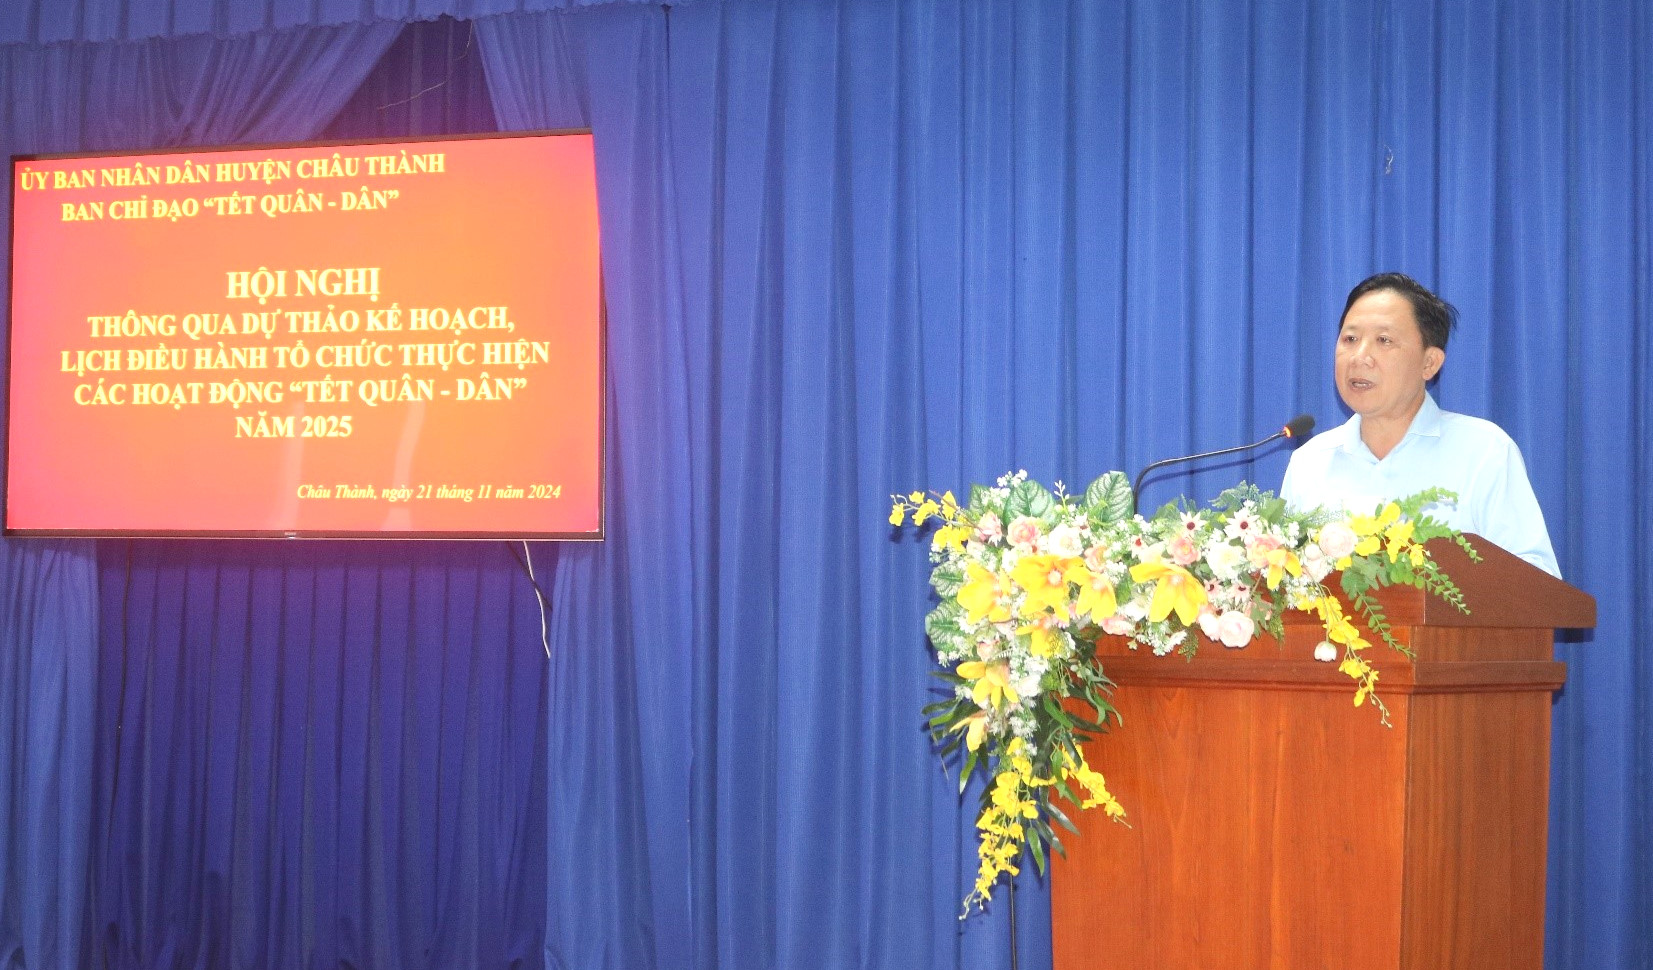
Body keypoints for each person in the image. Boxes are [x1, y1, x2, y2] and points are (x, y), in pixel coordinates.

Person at [1281, 273, 1560, 577]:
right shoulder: (1310, 462)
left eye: (1384, 340)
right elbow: (1280, 580)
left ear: (1429, 363)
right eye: (1350, 339)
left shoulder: (1484, 452)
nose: (1360, 357)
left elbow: (1537, 579)